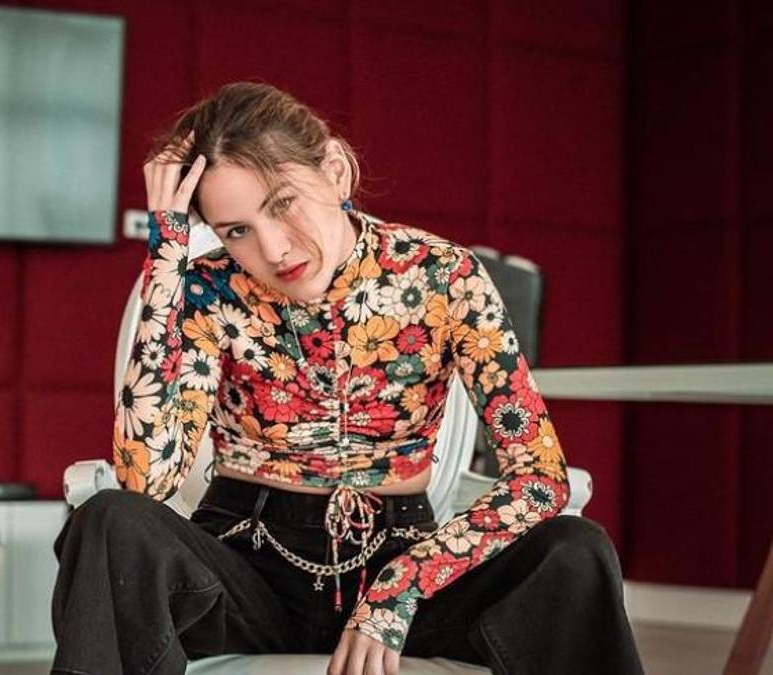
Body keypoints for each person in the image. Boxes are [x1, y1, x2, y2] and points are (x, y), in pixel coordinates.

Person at [49, 81, 644, 675]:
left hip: (408, 571)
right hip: (246, 573)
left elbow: (540, 478)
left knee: (575, 550)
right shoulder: (207, 289)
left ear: (335, 171)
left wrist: (402, 588)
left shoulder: (444, 276)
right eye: (236, 230)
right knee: (108, 520)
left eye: (282, 203)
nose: (273, 248)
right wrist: (166, 255)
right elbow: (146, 480)